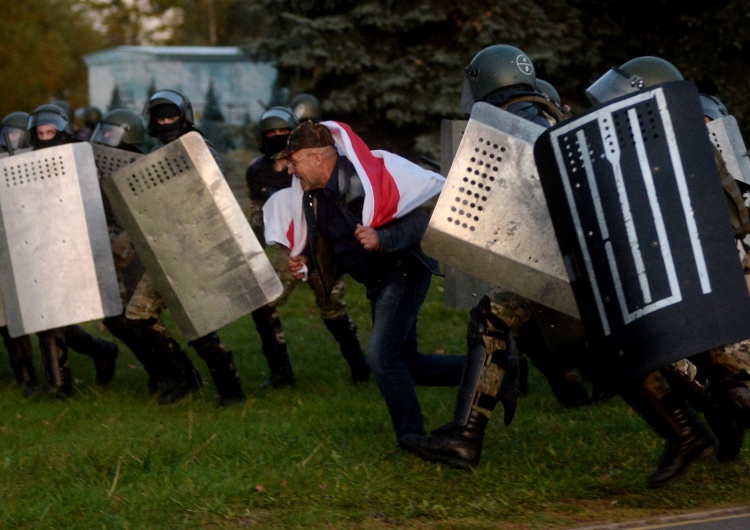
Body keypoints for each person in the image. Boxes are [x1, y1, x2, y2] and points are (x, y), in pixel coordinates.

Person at [401, 44, 592, 470]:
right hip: (565, 251)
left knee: (643, 348)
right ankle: (466, 437)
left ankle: (705, 416)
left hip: (557, 254)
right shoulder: (540, 111)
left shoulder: (518, 119)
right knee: (494, 321)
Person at [271, 119, 465, 447]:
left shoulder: (365, 181)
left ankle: (412, 438)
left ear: (317, 158)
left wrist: (382, 237)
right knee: (407, 365)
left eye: (294, 161)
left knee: (382, 356)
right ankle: (493, 371)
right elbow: (333, 239)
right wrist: (304, 258)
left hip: (402, 272)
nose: (291, 169)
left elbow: (422, 223)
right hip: (378, 282)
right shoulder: (314, 195)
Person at [122, 89, 245, 406]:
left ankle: (230, 389)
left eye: (171, 115)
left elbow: (213, 193)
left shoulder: (202, 150)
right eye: (159, 116)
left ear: (184, 115)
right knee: (138, 315)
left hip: (198, 247)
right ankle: (184, 377)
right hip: (165, 248)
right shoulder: (154, 158)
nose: (165, 121)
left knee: (198, 322)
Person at [246, 106, 369, 387]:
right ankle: (281, 373)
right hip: (285, 251)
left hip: (322, 245)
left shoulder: (312, 162)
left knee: (332, 307)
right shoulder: (257, 170)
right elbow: (256, 212)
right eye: (271, 133)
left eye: (283, 132)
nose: (277, 137)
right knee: (263, 304)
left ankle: (360, 367)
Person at [24, 103, 119, 397]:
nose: (45, 137)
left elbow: (93, 204)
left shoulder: (80, 159)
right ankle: (100, 352)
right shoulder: (27, 164)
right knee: (49, 317)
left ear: (61, 132)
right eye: (40, 133)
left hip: (74, 244)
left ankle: (61, 385)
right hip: (40, 244)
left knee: (50, 317)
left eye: (51, 131)